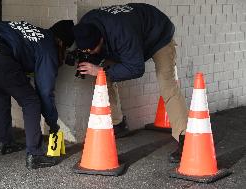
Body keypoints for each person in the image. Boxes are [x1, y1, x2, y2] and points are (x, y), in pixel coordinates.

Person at [73, 3, 188, 163]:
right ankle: (117, 124)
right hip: (128, 33)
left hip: (158, 34)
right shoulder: (87, 24)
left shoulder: (123, 34)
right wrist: (92, 64)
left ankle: (186, 138)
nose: (90, 54)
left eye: (93, 51)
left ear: (101, 40)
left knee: (166, 83)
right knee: (102, 78)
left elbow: (136, 68)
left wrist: (99, 70)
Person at [0, 20, 75, 169]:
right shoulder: (48, 46)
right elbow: (44, 91)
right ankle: (35, 155)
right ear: (61, 42)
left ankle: (5, 142)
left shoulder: (37, 34)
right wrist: (53, 124)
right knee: (31, 100)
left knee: (0, 92)